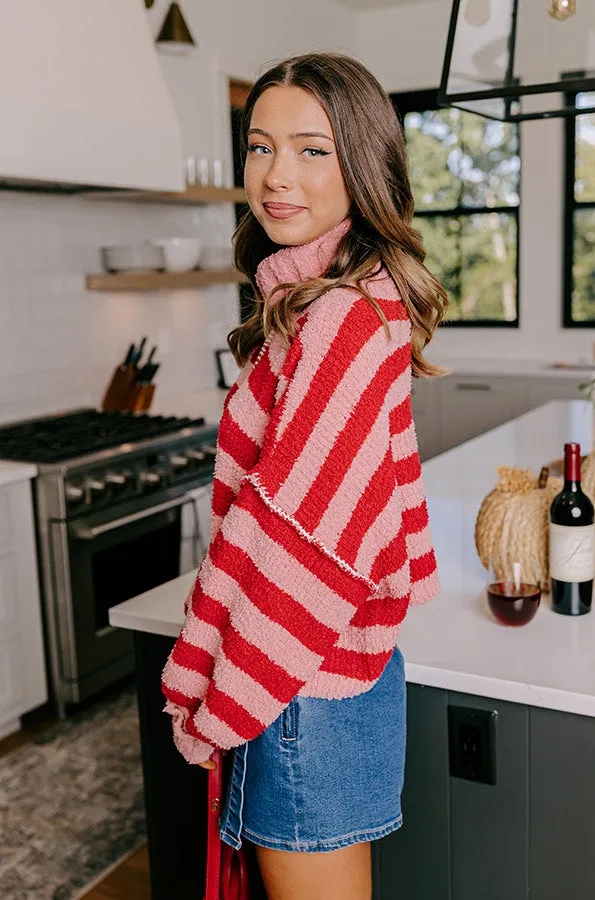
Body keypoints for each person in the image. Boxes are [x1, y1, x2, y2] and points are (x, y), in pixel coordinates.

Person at [161, 50, 448, 900]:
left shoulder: (341, 321)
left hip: (296, 693)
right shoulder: (337, 300)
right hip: (322, 680)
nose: (276, 176)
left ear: (361, 163)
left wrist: (213, 701)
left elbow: (299, 552)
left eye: (312, 150)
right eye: (259, 147)